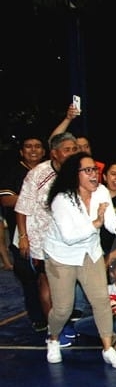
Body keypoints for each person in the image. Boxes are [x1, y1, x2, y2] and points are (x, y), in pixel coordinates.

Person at [43, 151, 116, 367]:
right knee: (63, 308)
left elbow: (112, 224)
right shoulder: (62, 199)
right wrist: (96, 223)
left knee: (101, 302)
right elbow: (69, 237)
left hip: (90, 253)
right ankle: (52, 338)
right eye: (88, 170)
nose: (93, 175)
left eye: (95, 170)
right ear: (75, 174)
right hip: (62, 256)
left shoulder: (101, 192)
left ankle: (107, 349)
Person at [16, 132, 80, 339]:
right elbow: (21, 208)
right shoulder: (37, 174)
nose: (72, 153)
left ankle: (63, 321)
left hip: (66, 239)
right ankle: (55, 329)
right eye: (67, 150)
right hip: (39, 239)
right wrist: (24, 237)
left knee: (65, 284)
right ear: (54, 153)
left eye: (74, 149)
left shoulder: (77, 173)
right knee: (46, 283)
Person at [0, 133, 48, 329]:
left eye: (37, 146)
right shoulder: (12, 172)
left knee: (50, 280)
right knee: (29, 279)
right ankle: (38, 318)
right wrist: (34, 198)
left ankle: (55, 318)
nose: (33, 150)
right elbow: (5, 199)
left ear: (44, 151)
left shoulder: (51, 171)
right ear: (22, 151)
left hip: (48, 236)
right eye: (29, 146)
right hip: (21, 236)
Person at [74, 258, 116, 351]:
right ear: (112, 274)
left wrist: (113, 316)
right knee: (78, 325)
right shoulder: (109, 288)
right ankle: (111, 334)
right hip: (109, 319)